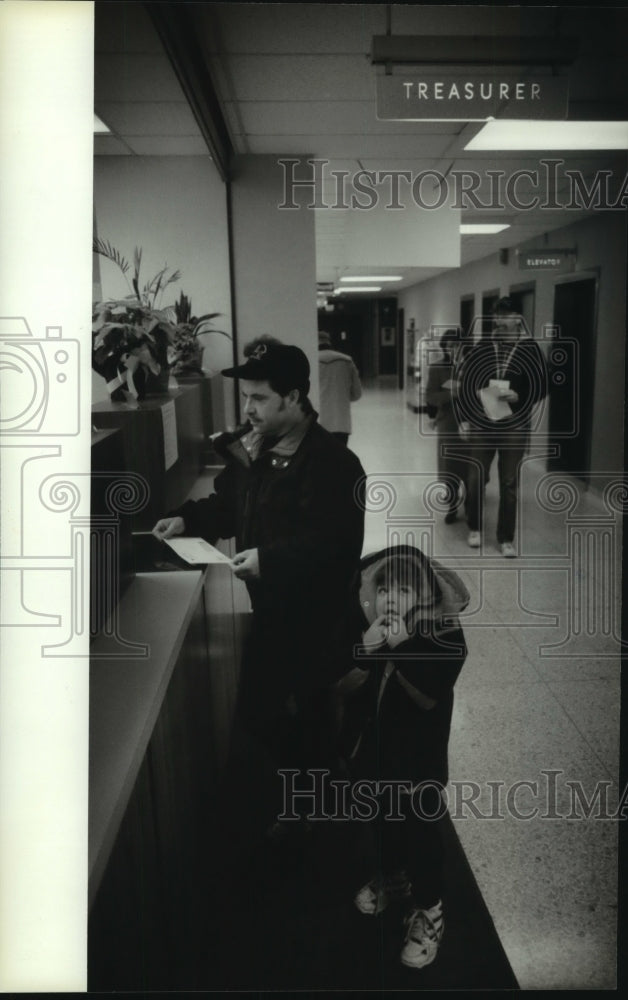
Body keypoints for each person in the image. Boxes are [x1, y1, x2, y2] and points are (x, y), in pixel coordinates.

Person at [152, 340, 366, 828]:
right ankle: (316, 791)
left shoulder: (334, 464)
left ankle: (320, 809)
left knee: (300, 713)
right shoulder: (256, 450)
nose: (247, 408)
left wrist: (270, 560)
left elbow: (337, 546)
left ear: (294, 397)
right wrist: (186, 520)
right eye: (245, 396)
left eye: (259, 398)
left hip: (317, 619)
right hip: (271, 610)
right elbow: (229, 505)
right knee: (267, 715)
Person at [335, 545, 468, 969]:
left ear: (427, 595)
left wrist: (402, 647)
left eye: (405, 589)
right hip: (373, 755)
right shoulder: (365, 626)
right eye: (386, 587)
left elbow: (429, 696)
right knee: (381, 820)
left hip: (419, 766)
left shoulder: (442, 635)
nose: (392, 598)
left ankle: (429, 908)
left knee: (420, 833)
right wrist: (365, 648)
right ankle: (392, 875)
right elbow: (342, 685)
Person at [454, 297, 548, 557]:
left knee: (509, 483)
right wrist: (463, 418)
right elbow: (466, 382)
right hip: (482, 422)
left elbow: (542, 385)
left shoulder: (530, 349)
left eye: (504, 316)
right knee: (475, 478)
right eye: (496, 316)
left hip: (514, 424)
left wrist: (521, 397)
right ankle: (475, 527)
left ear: (518, 318)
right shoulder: (485, 346)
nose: (499, 321)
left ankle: (506, 539)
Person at [424, 329, 467, 524]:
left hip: (471, 423)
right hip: (448, 422)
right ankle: (452, 503)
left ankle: (472, 501)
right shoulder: (437, 368)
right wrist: (453, 394)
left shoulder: (472, 366)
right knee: (450, 466)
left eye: (457, 345)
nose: (453, 349)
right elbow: (430, 397)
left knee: (470, 465)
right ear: (444, 347)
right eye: (449, 345)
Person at [317, 330, 363, 445]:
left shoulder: (311, 361)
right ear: (329, 341)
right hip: (341, 422)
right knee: (340, 459)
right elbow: (357, 394)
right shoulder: (346, 360)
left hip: (318, 422)